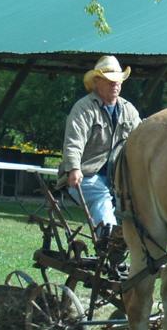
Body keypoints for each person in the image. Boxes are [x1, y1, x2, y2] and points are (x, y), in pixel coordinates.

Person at [60, 55, 141, 230]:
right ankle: (110, 236)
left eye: (118, 80)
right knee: (101, 195)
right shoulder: (83, 108)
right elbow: (73, 141)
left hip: (120, 179)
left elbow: (141, 140)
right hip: (86, 176)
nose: (116, 84)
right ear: (97, 82)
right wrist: (74, 169)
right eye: (110, 81)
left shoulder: (129, 110)